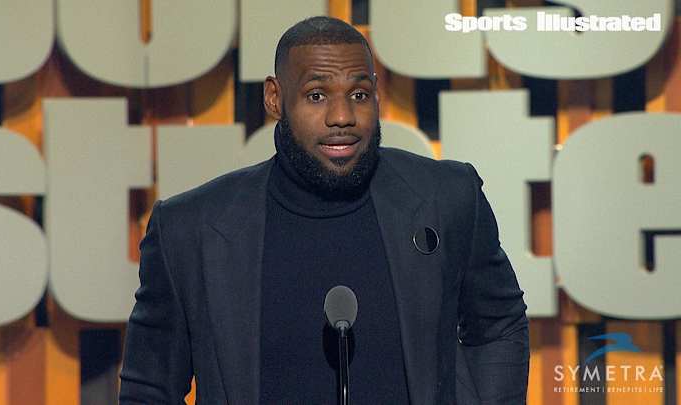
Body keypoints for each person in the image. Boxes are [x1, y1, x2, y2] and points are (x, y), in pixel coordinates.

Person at [119, 16, 529, 405]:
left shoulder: (447, 198)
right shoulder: (189, 230)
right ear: (275, 98)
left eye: (359, 95)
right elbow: (150, 388)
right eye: (317, 95)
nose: (342, 117)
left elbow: (498, 324)